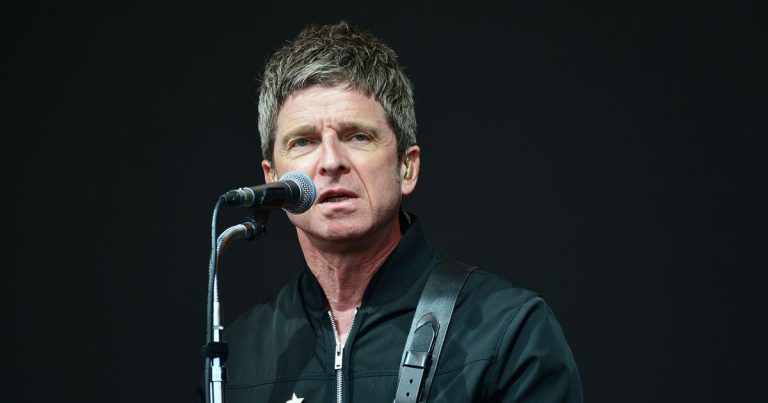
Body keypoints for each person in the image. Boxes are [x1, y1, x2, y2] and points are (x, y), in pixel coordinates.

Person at [222, 21, 582, 402]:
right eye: (303, 142)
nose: (330, 162)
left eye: (358, 136)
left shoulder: (509, 332)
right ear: (272, 178)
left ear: (406, 167)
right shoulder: (237, 355)